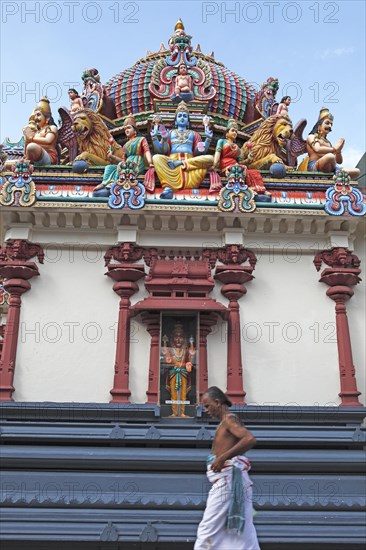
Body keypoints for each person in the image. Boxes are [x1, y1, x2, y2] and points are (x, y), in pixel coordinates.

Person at [195, 386, 260, 550]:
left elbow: (249, 439)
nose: (206, 410)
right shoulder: (226, 422)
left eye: (208, 405)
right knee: (243, 534)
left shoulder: (229, 420)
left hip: (227, 483)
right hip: (232, 482)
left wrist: (223, 457)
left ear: (217, 402)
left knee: (206, 530)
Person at [151, 101, 214, 198]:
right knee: (156, 158)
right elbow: (162, 150)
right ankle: (168, 187)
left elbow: (200, 151)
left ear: (188, 121)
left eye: (185, 116)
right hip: (172, 163)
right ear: (175, 120)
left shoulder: (194, 134)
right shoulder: (170, 132)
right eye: (179, 116)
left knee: (210, 159)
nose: (182, 118)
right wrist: (156, 137)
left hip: (190, 163)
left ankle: (180, 167)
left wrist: (208, 139)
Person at [93, 114, 152, 192]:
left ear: (134, 130)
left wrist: (150, 162)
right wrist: (111, 156)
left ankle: (114, 182)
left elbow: (147, 151)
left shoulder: (141, 139)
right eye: (125, 129)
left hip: (136, 163)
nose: (126, 130)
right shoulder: (125, 145)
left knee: (124, 168)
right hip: (127, 163)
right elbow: (122, 161)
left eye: (129, 128)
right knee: (109, 167)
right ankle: (104, 183)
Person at [302, 107, 360, 179]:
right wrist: (334, 149)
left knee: (357, 171)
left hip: (331, 167)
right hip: (315, 166)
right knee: (330, 156)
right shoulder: (312, 137)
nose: (329, 126)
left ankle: (338, 174)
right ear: (319, 126)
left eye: (331, 124)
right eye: (327, 123)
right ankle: (339, 174)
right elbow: (317, 149)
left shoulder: (328, 143)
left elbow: (339, 161)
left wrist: (339, 151)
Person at [161, 322, 196, 417]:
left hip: (183, 373)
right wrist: (165, 344)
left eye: (181, 337)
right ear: (173, 338)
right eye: (176, 337)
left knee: (183, 393)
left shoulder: (185, 350)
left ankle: (182, 412)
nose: (178, 339)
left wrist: (188, 363)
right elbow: (167, 360)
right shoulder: (171, 349)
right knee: (174, 393)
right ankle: (174, 412)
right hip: (173, 373)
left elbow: (191, 359)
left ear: (184, 339)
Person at [23, 97, 58, 166]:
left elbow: (48, 140)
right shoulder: (37, 133)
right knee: (8, 164)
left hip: (48, 157)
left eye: (38, 115)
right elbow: (26, 153)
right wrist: (27, 140)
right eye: (35, 115)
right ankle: (27, 163)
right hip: (34, 158)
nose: (36, 118)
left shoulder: (52, 128)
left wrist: (31, 139)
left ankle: (27, 164)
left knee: (32, 147)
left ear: (47, 118)